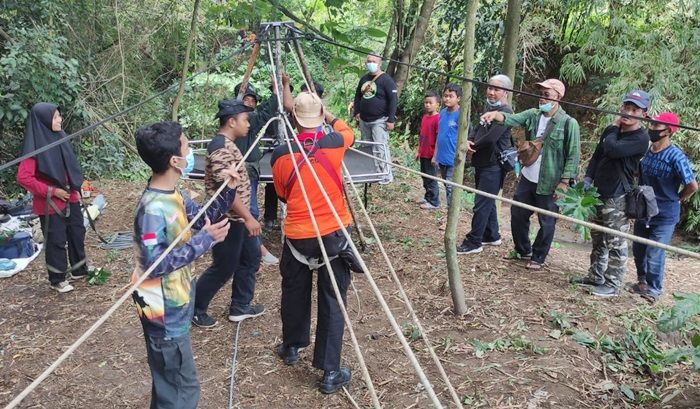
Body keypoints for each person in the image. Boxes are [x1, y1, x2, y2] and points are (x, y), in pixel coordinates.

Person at [132, 120, 238, 409]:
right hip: (162, 309)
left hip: (173, 301)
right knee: (182, 389)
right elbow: (155, 263)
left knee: (169, 382)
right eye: (187, 146)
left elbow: (206, 215)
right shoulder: (154, 209)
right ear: (175, 160)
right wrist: (203, 241)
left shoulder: (174, 194)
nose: (192, 150)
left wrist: (228, 188)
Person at [271, 92, 355, 394]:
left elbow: (282, 194)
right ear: (320, 117)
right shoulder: (335, 143)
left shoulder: (280, 153)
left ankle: (291, 347)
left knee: (294, 292)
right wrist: (329, 116)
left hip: (297, 236)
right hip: (333, 234)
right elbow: (349, 132)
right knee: (332, 300)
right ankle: (330, 371)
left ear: (293, 119)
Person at [481, 78, 581, 269]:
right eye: (540, 94)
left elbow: (573, 155)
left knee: (547, 220)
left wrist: (564, 182)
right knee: (518, 214)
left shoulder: (569, 123)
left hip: (551, 181)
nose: (542, 98)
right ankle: (523, 250)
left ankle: (538, 257)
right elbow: (511, 119)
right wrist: (495, 115)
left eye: (546, 95)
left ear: (558, 97)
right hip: (528, 177)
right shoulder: (533, 115)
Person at [192, 100, 265, 328]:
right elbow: (228, 192)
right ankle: (195, 308)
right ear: (231, 122)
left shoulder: (229, 144)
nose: (248, 125)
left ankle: (240, 306)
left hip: (238, 218)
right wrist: (248, 217)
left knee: (251, 258)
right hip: (228, 219)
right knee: (224, 266)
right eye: (245, 120)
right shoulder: (220, 148)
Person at [573, 90, 651, 297]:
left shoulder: (641, 138)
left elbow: (613, 149)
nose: (628, 112)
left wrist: (615, 127)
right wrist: (588, 179)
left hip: (617, 196)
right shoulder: (611, 130)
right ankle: (595, 275)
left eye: (634, 109)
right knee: (597, 237)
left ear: (643, 114)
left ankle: (612, 283)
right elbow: (598, 156)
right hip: (598, 192)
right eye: (626, 107)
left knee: (616, 241)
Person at [16, 103, 88, 293]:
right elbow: (23, 177)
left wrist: (75, 187)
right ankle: (57, 279)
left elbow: (69, 166)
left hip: (70, 196)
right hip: (50, 202)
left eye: (59, 116)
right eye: (56, 117)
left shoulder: (61, 137)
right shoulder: (34, 147)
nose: (60, 120)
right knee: (56, 239)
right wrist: (52, 191)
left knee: (77, 232)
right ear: (45, 120)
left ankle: (79, 269)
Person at [631, 112, 697, 302]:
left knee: (655, 252)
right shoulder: (646, 152)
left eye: (656, 126)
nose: (652, 129)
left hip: (665, 213)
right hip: (644, 209)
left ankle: (654, 290)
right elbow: (637, 172)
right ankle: (641, 282)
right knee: (639, 249)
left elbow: (692, 185)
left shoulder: (676, 157)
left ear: (668, 131)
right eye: (651, 125)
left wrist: (677, 198)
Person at [233, 77, 293, 265]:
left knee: (244, 211)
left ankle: (247, 250)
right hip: (241, 171)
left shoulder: (245, 121)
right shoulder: (239, 120)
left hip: (248, 170)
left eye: (253, 100)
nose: (250, 103)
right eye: (246, 100)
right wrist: (276, 91)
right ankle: (258, 250)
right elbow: (266, 111)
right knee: (249, 211)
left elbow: (265, 111)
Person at [457, 75, 514, 254]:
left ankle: (474, 242)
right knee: (486, 200)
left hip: (494, 165)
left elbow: (490, 139)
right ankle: (491, 234)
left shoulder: (506, 113)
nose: (491, 92)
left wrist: (473, 146)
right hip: (482, 162)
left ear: (505, 92)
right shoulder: (489, 109)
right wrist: (469, 140)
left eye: (496, 89)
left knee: (481, 203)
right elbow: (478, 129)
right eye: (490, 88)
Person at [352, 52, 398, 184]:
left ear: (379, 63)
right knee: (367, 146)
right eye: (368, 61)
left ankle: (385, 175)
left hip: (380, 120)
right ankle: (372, 172)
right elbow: (358, 96)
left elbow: (393, 100)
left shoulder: (386, 80)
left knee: (380, 146)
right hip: (364, 120)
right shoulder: (364, 79)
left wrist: (391, 120)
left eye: (373, 61)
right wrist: (357, 112)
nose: (370, 63)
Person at [432, 83, 462, 207]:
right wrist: (435, 155)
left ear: (458, 98)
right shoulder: (443, 113)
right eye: (445, 96)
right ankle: (450, 212)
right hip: (442, 156)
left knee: (450, 187)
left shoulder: (460, 115)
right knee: (446, 184)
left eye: (451, 96)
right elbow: (439, 135)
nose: (447, 99)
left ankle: (451, 216)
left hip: (453, 158)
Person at [415, 90, 440, 209]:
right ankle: (427, 197)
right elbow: (422, 135)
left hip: (431, 154)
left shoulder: (438, 119)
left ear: (437, 104)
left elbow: (438, 138)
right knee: (424, 176)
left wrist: (435, 155)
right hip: (424, 152)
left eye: (430, 102)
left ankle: (434, 202)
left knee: (431, 177)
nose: (427, 105)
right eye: (426, 102)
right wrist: (418, 151)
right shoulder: (425, 117)